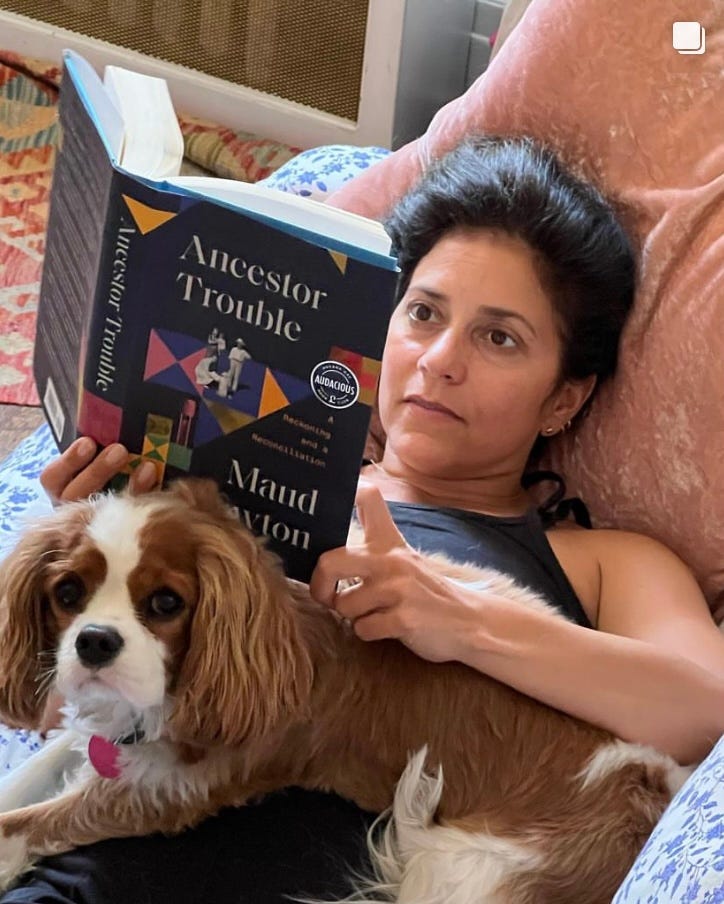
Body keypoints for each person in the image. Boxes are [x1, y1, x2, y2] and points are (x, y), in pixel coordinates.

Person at [6, 136, 724, 904]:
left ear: (563, 399)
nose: (440, 358)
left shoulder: (605, 559)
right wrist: (88, 549)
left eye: (499, 337)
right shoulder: (236, 489)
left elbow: (702, 712)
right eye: (423, 312)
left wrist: (463, 621)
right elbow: (59, 710)